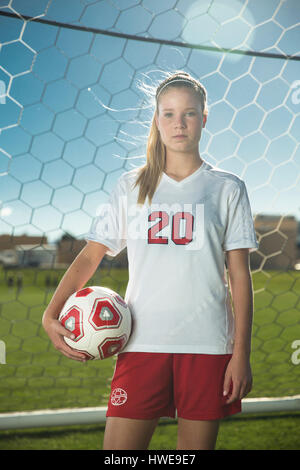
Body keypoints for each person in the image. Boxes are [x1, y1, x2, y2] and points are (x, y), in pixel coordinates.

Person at [42, 71, 259, 450]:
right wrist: (51, 313)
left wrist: (241, 353)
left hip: (207, 345)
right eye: (169, 114)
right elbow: (91, 254)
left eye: (189, 113)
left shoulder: (227, 187)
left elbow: (238, 275)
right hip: (141, 341)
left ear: (204, 118)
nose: (179, 123)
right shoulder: (131, 185)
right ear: (156, 120)